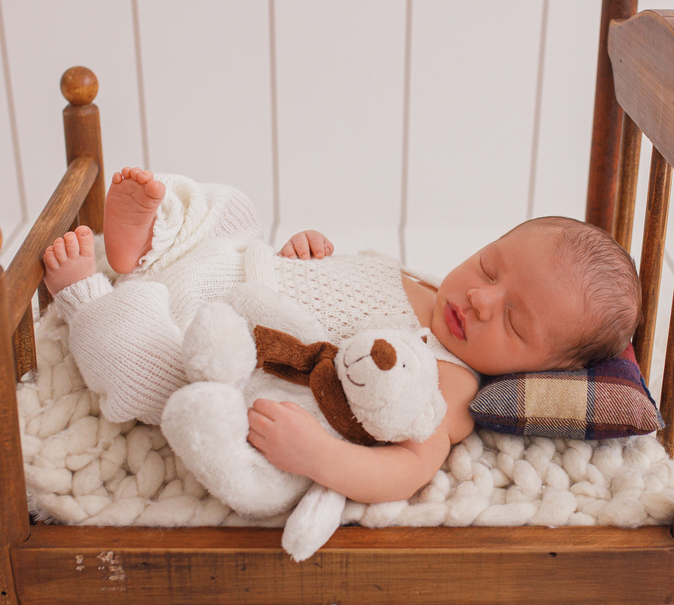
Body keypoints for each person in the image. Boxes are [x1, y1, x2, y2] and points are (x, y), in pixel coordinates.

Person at [42, 167, 640, 506]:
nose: (480, 299)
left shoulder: (453, 385)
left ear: (536, 371)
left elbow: (406, 470)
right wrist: (308, 254)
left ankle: (89, 298)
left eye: (513, 322)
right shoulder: (432, 287)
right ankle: (147, 242)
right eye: (489, 265)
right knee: (231, 214)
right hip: (245, 274)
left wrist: (317, 455)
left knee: (148, 372)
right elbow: (348, 278)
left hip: (218, 344)